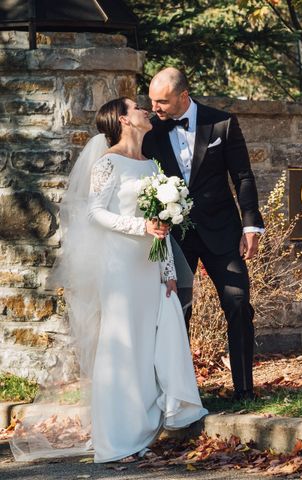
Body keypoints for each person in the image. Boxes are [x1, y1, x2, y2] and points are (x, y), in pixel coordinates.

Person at [11, 97, 207, 463]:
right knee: (125, 346)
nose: (145, 111)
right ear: (123, 119)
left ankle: (156, 419)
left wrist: (167, 271)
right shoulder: (107, 163)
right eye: (137, 108)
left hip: (151, 266)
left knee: (158, 338)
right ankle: (118, 438)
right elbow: (95, 212)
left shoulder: (151, 163)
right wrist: (140, 226)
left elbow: (160, 221)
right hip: (121, 267)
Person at [143, 68, 264, 401]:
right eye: (152, 101)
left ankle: (244, 390)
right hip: (175, 238)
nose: (155, 107)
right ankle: (179, 394)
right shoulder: (150, 132)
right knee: (178, 311)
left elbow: (243, 177)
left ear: (184, 96)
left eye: (162, 101)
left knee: (238, 303)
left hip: (223, 232)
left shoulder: (221, 123)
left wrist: (251, 225)